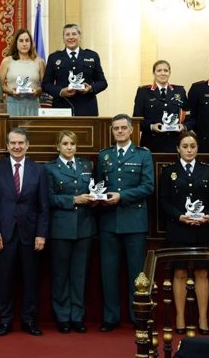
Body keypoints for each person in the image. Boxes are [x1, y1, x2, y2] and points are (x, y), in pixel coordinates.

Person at [0, 127, 49, 336]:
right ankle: (5, 321)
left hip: (31, 236)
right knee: (5, 280)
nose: (16, 146)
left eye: (20, 143)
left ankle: (29, 320)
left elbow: (43, 206)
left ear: (27, 145)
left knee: (31, 280)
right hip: (4, 235)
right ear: (7, 146)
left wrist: (41, 234)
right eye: (12, 143)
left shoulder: (38, 170)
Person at [96, 114, 154, 331]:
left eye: (123, 128)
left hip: (134, 221)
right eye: (116, 128)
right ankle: (111, 318)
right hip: (109, 221)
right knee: (109, 272)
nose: (119, 131)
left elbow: (148, 187)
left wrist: (123, 196)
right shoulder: (105, 156)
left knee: (136, 273)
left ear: (131, 131)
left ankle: (136, 315)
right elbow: (99, 185)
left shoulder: (143, 155)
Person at [159, 131, 209, 335]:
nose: (189, 150)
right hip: (179, 229)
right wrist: (179, 216)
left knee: (202, 272)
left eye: (193, 146)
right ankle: (180, 317)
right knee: (180, 272)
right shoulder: (169, 172)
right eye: (185, 146)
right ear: (177, 149)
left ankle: (202, 318)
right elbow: (163, 201)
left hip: (203, 229)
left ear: (197, 148)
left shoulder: (208, 171)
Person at [44, 130, 96, 334]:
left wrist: (94, 198)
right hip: (60, 228)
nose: (69, 147)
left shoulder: (86, 166)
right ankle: (63, 316)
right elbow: (48, 198)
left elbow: (94, 189)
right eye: (65, 143)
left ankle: (77, 316)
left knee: (79, 275)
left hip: (84, 227)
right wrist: (73, 200)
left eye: (72, 144)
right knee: (60, 275)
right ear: (58, 146)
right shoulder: (50, 168)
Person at [41, 23, 108, 116]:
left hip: (87, 109)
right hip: (62, 107)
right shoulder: (54, 58)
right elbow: (46, 84)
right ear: (63, 39)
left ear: (79, 36)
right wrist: (61, 91)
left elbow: (102, 82)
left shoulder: (92, 56)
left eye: (74, 34)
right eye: (67, 34)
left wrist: (90, 88)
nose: (71, 37)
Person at [133, 60, 188, 153]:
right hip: (151, 143)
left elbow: (188, 115)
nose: (163, 73)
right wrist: (151, 126)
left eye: (166, 71)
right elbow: (136, 119)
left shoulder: (180, 91)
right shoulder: (143, 92)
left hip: (175, 143)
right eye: (159, 71)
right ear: (154, 73)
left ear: (170, 73)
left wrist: (184, 126)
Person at [0, 29, 45, 116]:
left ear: (31, 43)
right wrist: (11, 91)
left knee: (33, 129)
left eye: (27, 40)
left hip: (33, 104)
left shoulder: (39, 61)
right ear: (16, 43)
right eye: (21, 41)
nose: (24, 44)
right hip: (13, 103)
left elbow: (45, 85)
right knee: (13, 129)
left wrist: (38, 90)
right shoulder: (7, 61)